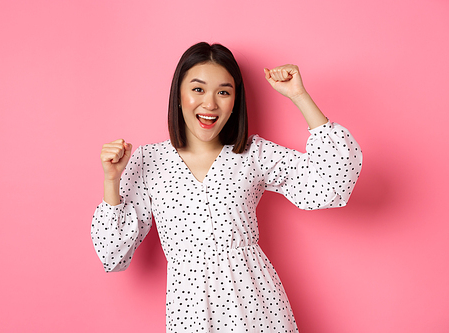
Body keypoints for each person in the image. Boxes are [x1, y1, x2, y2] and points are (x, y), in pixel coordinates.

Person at [91, 42, 362, 332]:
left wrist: (299, 96)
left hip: (258, 307)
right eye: (198, 89)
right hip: (190, 314)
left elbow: (331, 184)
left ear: (235, 102)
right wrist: (112, 181)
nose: (210, 103)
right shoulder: (147, 160)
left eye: (223, 92)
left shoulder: (252, 154)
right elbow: (112, 255)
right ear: (178, 96)